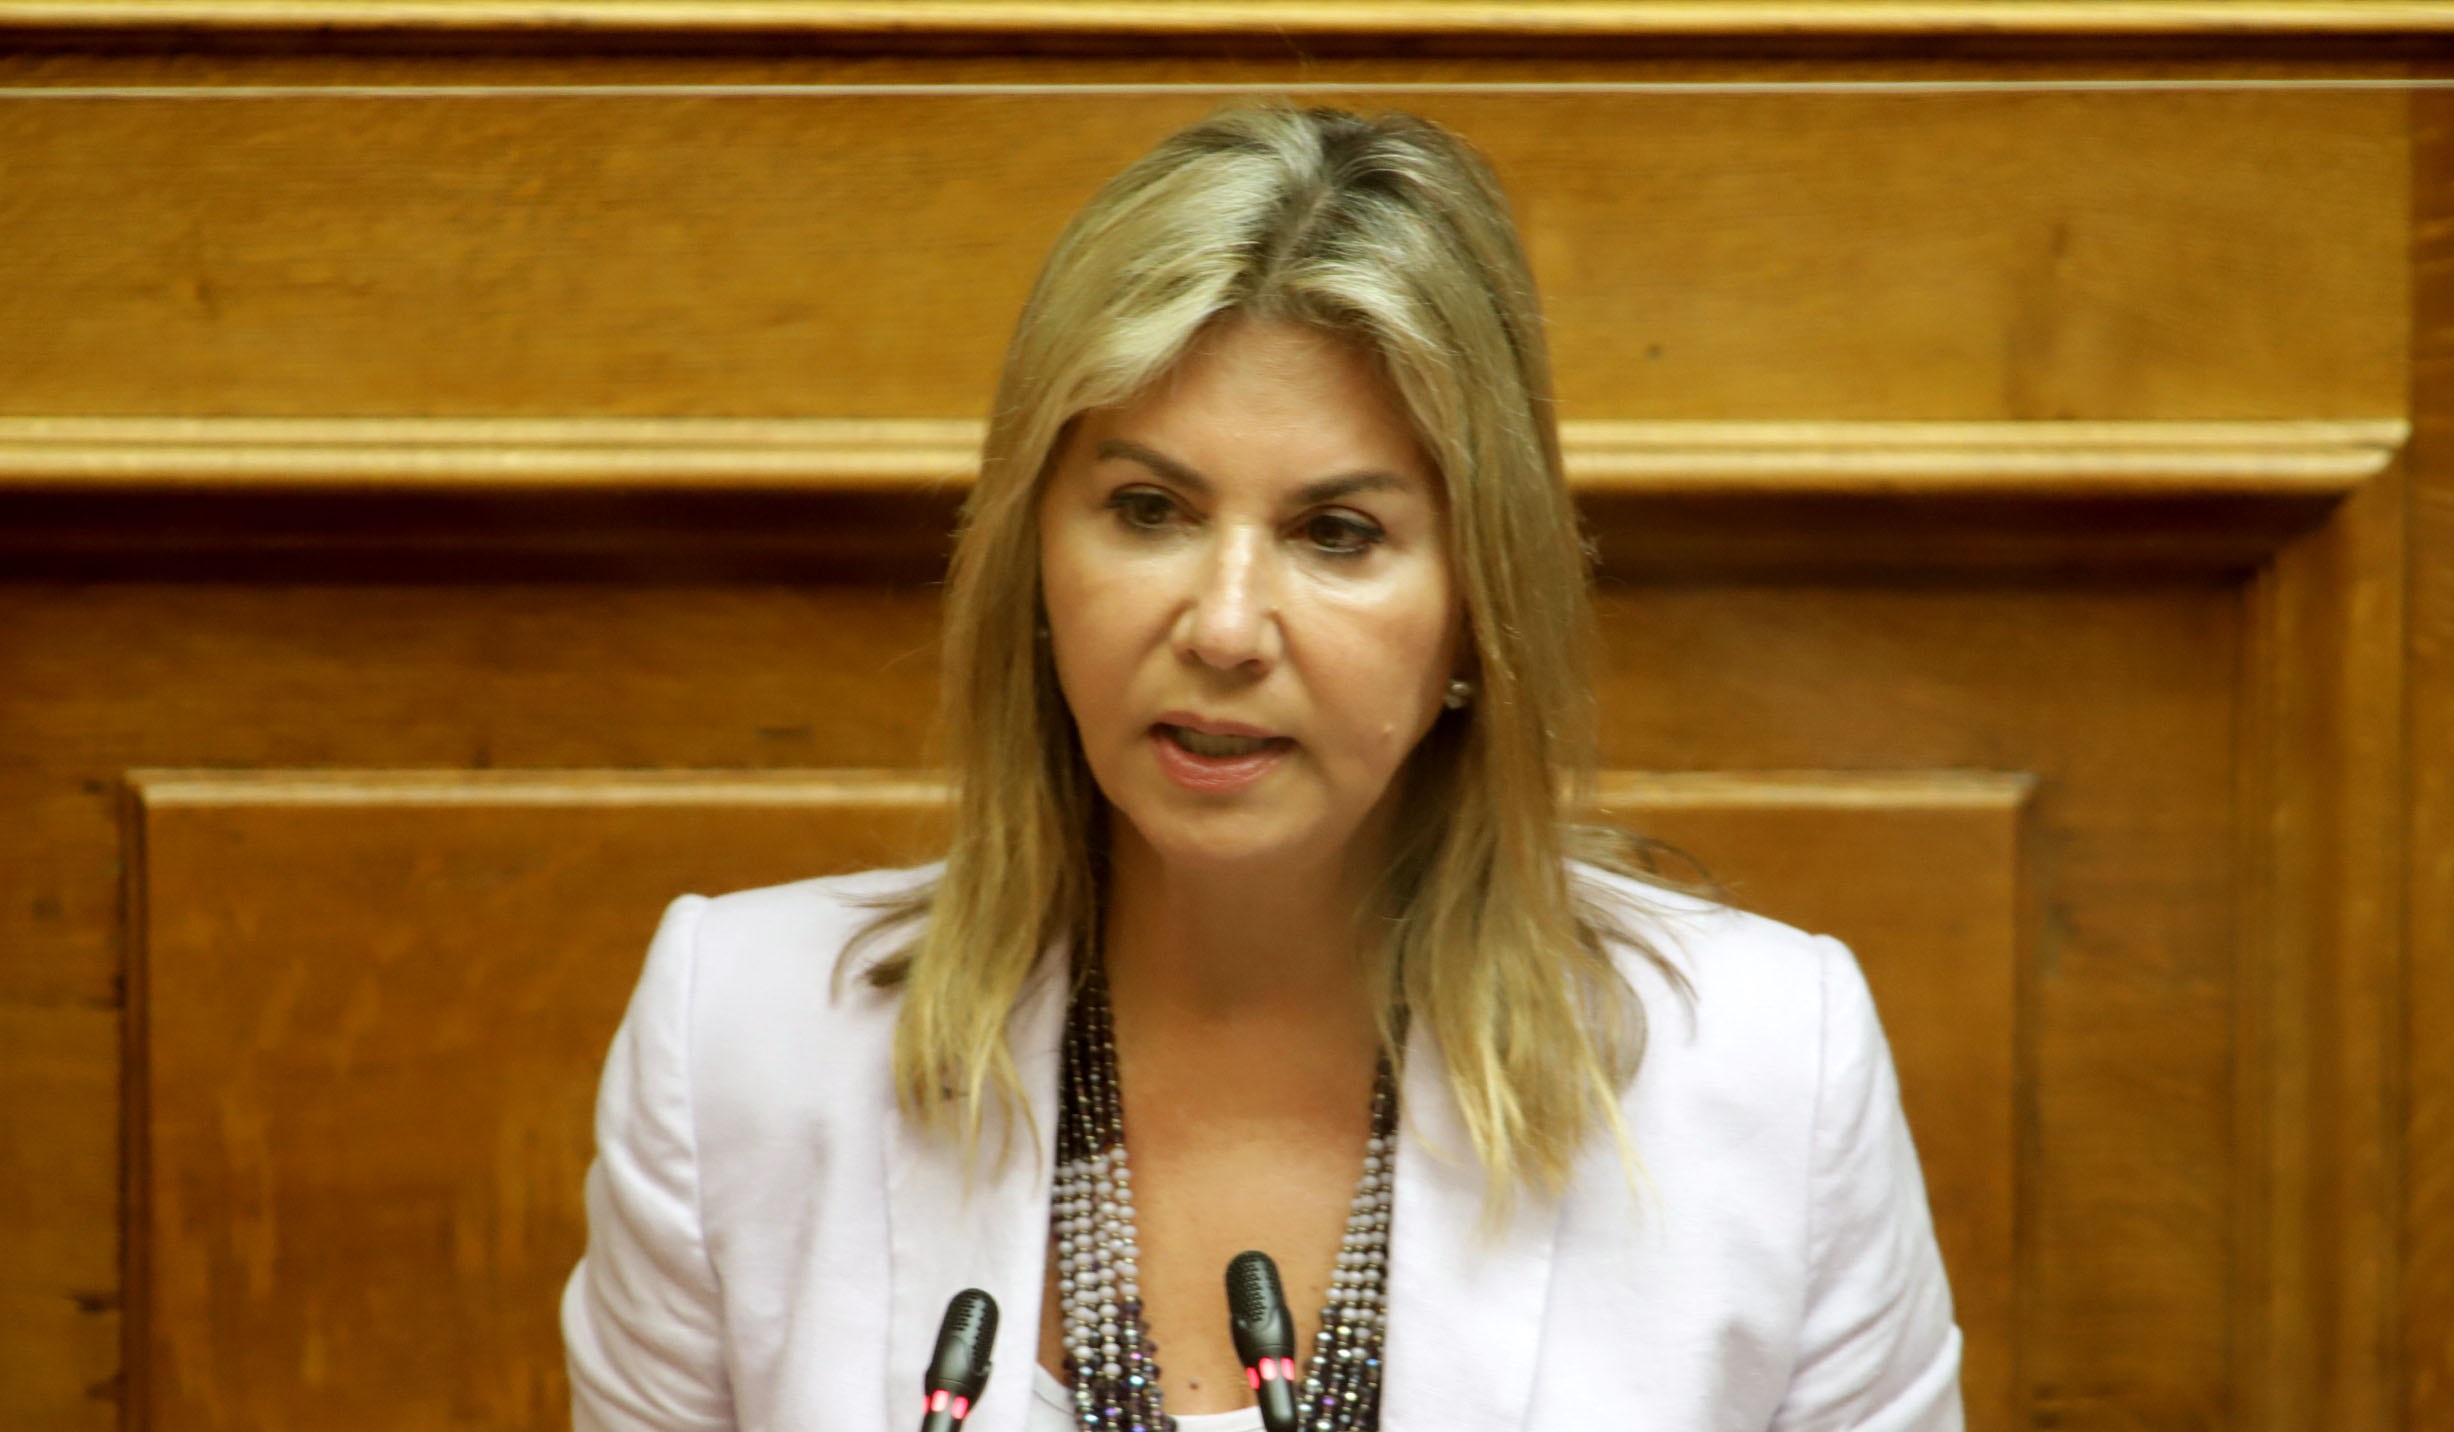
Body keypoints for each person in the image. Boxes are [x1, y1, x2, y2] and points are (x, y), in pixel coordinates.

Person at [561, 105, 1962, 1432]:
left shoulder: (1767, 1071)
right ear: (1035, 560)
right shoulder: (740, 1037)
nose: (1225, 627)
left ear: (1480, 601)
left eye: (1336, 534)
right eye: (1148, 509)